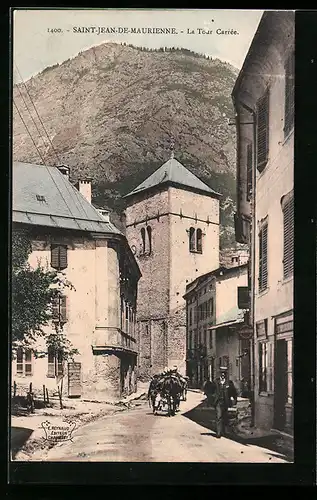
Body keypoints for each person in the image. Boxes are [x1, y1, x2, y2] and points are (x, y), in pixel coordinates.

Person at [209, 366, 238, 438]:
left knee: (225, 416)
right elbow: (210, 391)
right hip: (218, 402)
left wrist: (234, 399)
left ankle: (224, 431)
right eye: (222, 373)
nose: (223, 375)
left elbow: (233, 391)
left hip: (225, 402)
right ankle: (218, 433)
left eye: (224, 373)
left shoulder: (229, 382)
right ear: (220, 374)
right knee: (219, 416)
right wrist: (213, 398)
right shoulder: (215, 382)